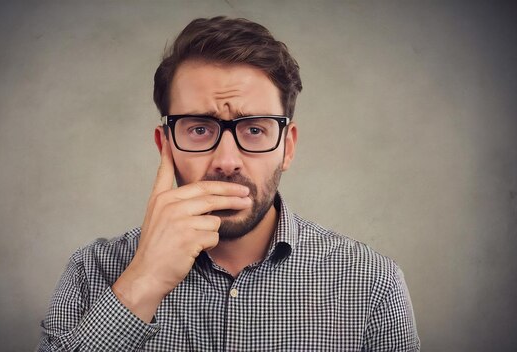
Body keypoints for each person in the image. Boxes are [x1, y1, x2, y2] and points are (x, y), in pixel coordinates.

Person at [37, 16, 420, 351]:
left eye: (254, 129)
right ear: (165, 145)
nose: (226, 161)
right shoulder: (93, 270)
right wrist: (144, 280)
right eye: (200, 129)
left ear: (287, 148)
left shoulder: (372, 284)